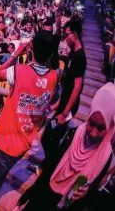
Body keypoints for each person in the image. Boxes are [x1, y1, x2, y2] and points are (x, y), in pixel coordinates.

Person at [0, 31, 58, 211]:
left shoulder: (20, 71)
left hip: (9, 139)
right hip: (26, 139)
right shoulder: (53, 77)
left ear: (31, 49)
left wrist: (16, 53)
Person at [18, 83, 115, 211]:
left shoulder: (106, 157)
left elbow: (93, 198)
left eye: (101, 128)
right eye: (91, 123)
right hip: (43, 198)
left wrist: (86, 193)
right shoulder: (73, 135)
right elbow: (49, 168)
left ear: (110, 126)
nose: (93, 132)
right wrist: (28, 194)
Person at [38, 19, 87, 170]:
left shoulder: (80, 57)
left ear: (75, 34)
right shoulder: (73, 55)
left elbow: (77, 88)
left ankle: (49, 169)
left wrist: (64, 113)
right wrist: (57, 105)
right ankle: (48, 167)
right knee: (49, 138)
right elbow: (67, 87)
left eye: (67, 35)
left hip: (68, 109)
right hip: (64, 105)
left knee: (49, 138)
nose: (65, 39)